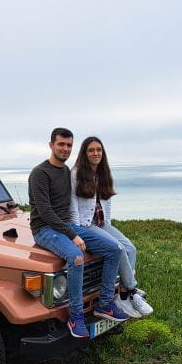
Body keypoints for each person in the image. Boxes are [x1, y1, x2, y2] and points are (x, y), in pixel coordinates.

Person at [29, 127, 130, 338]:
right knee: (76, 257)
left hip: (67, 226)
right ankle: (76, 317)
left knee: (114, 249)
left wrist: (78, 228)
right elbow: (45, 213)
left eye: (69, 145)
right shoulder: (40, 173)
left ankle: (104, 304)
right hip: (45, 229)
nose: (65, 149)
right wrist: (73, 235)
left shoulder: (67, 172)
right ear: (51, 145)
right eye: (61, 144)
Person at [70, 136, 154, 318]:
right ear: (84, 153)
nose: (96, 153)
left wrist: (108, 225)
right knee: (118, 248)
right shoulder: (76, 174)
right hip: (85, 224)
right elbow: (72, 203)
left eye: (99, 150)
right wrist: (76, 230)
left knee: (131, 248)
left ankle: (122, 296)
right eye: (91, 150)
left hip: (101, 223)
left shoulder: (104, 173)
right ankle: (131, 291)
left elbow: (107, 203)